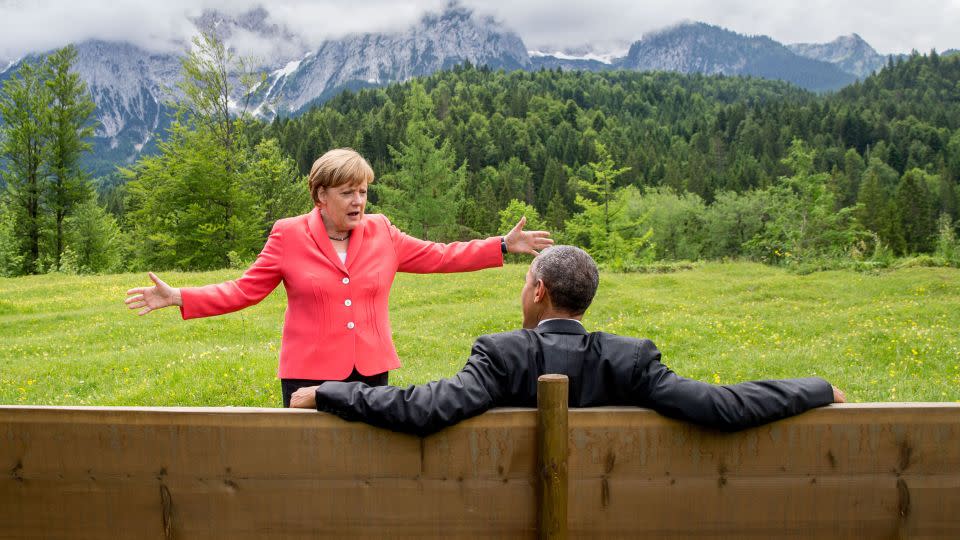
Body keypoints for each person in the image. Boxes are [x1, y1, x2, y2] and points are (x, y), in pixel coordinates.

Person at [124, 148, 553, 407]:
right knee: (309, 467)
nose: (358, 201)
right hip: (307, 373)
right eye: (348, 192)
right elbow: (244, 290)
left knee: (367, 462)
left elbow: (438, 256)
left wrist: (499, 245)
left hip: (370, 371)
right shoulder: (288, 234)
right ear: (321, 195)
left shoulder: (382, 231)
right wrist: (180, 296)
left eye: (363, 191)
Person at [290, 245, 845, 436]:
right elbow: (724, 406)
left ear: (538, 290)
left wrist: (330, 392)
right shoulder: (631, 359)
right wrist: (817, 388)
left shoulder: (500, 354)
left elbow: (424, 409)